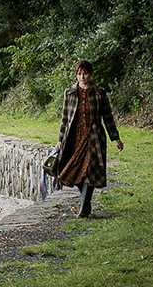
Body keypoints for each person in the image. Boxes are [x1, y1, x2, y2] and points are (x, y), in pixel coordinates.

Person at [55, 60, 123, 218]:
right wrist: (60, 139)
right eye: (79, 73)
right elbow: (65, 118)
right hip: (74, 137)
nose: (82, 76)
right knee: (74, 170)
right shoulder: (69, 92)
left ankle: (84, 208)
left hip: (94, 136)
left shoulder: (100, 92)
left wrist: (116, 138)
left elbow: (108, 117)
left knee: (89, 171)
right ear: (76, 74)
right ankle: (86, 203)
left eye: (85, 73)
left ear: (90, 74)